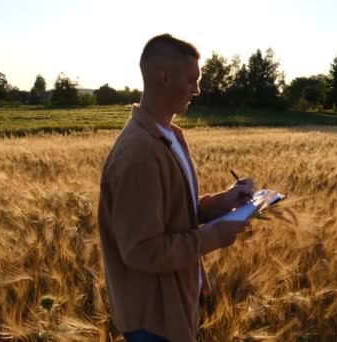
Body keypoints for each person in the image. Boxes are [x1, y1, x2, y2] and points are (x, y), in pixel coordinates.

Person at [97, 34, 255, 342]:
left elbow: (171, 216)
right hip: (153, 319)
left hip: (174, 304)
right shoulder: (139, 154)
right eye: (192, 79)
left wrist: (222, 202)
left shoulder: (168, 136)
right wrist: (214, 236)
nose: (197, 89)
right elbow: (142, 251)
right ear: (164, 77)